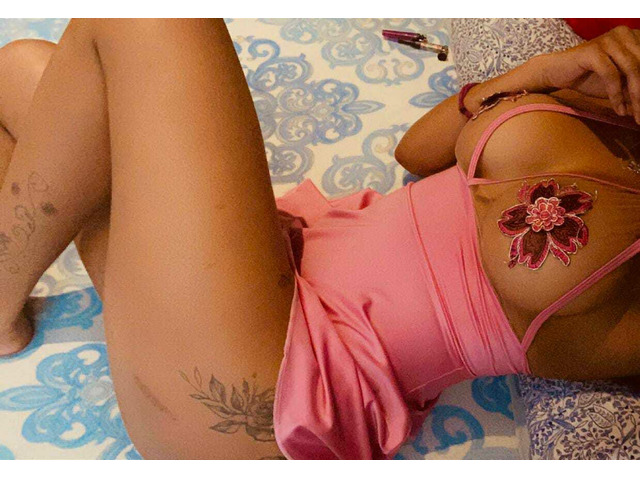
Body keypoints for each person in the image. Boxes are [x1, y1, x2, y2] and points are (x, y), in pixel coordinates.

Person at [0, 19, 638, 460]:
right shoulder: (611, 97)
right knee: (24, 70)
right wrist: (541, 72)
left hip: (283, 385)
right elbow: (416, 151)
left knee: (148, 22)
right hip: (263, 275)